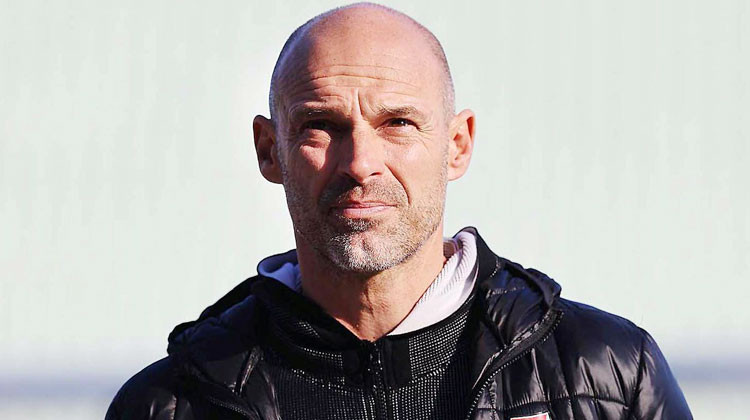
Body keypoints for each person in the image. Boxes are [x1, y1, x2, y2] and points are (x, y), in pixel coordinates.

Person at [106, 3, 692, 419]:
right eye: (321, 125)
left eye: (398, 123)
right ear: (269, 150)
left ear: (457, 145)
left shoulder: (609, 375)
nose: (361, 163)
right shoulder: (172, 404)